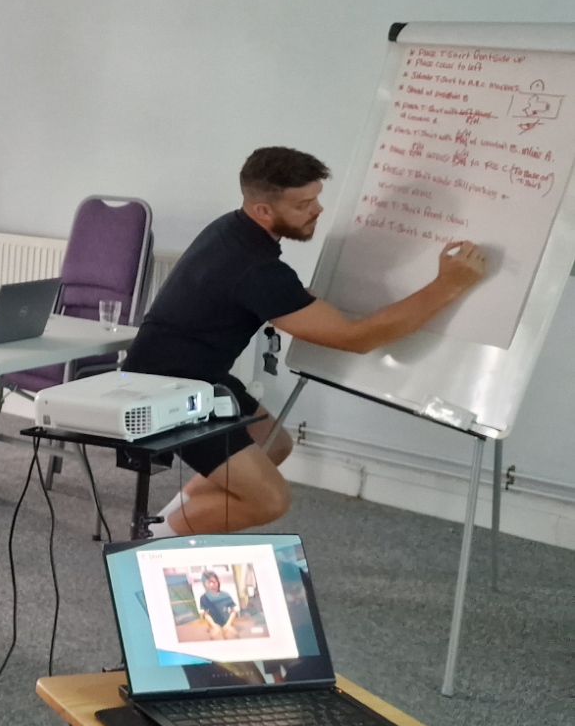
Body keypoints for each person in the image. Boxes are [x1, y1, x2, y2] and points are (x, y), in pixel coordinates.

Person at [124, 146, 486, 534]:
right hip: (167, 388)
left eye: (316, 198)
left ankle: (167, 524)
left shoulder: (234, 230)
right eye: (303, 204)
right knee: (270, 500)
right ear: (263, 210)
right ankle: (149, 544)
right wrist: (448, 286)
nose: (318, 210)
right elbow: (357, 338)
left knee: (273, 445)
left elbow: (283, 301)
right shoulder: (257, 269)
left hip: (196, 374)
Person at [197, 573, 239, 640]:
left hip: (227, 623)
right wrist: (214, 626)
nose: (212, 585)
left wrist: (228, 624)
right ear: (205, 584)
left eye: (214, 582)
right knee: (217, 637)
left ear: (218, 582)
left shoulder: (225, 595)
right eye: (209, 582)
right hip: (213, 625)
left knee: (233, 636)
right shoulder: (204, 598)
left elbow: (233, 611)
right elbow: (206, 614)